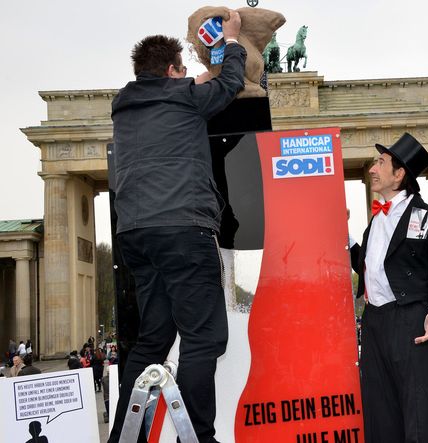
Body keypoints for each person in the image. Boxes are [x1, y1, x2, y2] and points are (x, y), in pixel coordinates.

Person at [107, 11, 246, 443]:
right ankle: (199, 436)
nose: (186, 76)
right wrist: (232, 43)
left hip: (135, 234)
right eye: (182, 71)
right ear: (171, 70)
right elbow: (229, 85)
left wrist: (191, 81)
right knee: (204, 339)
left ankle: (123, 437)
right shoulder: (184, 96)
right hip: (183, 229)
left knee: (152, 340)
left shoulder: (124, 108)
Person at [350, 132, 428, 442]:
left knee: (422, 421)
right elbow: (374, 270)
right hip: (374, 328)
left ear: (399, 174)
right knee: (381, 419)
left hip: (413, 326)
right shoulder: (375, 222)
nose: (372, 169)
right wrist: (346, 242)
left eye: (380, 163)